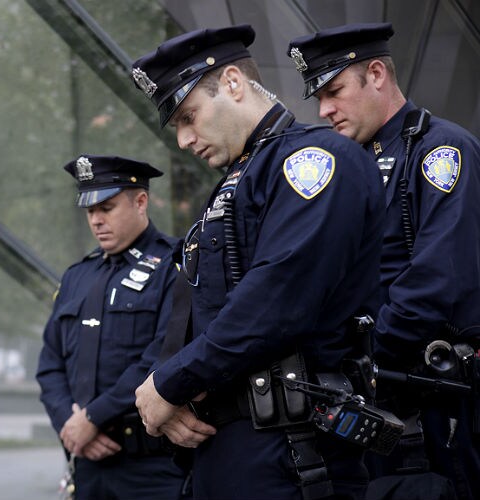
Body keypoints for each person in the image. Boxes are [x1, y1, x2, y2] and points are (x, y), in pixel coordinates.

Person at [130, 24, 386, 499]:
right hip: (227, 447)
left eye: (188, 116)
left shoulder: (313, 160)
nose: (183, 139)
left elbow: (276, 302)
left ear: (232, 83)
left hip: (290, 448)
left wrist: (171, 383)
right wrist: (164, 391)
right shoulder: (237, 181)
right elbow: (195, 310)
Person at [287, 22, 480, 500]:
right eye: (318, 98)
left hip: (434, 402)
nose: (324, 110)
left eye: (334, 92)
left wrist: (363, 358)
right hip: (373, 404)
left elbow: (438, 279)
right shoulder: (349, 164)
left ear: (376, 74)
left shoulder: (439, 151)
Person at [36, 154, 189, 499]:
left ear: (140, 202)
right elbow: (50, 365)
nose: (96, 220)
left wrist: (92, 418)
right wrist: (71, 428)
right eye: (90, 211)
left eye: (106, 208)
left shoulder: (172, 266)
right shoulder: (77, 276)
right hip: (87, 462)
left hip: (152, 467)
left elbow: (163, 355)